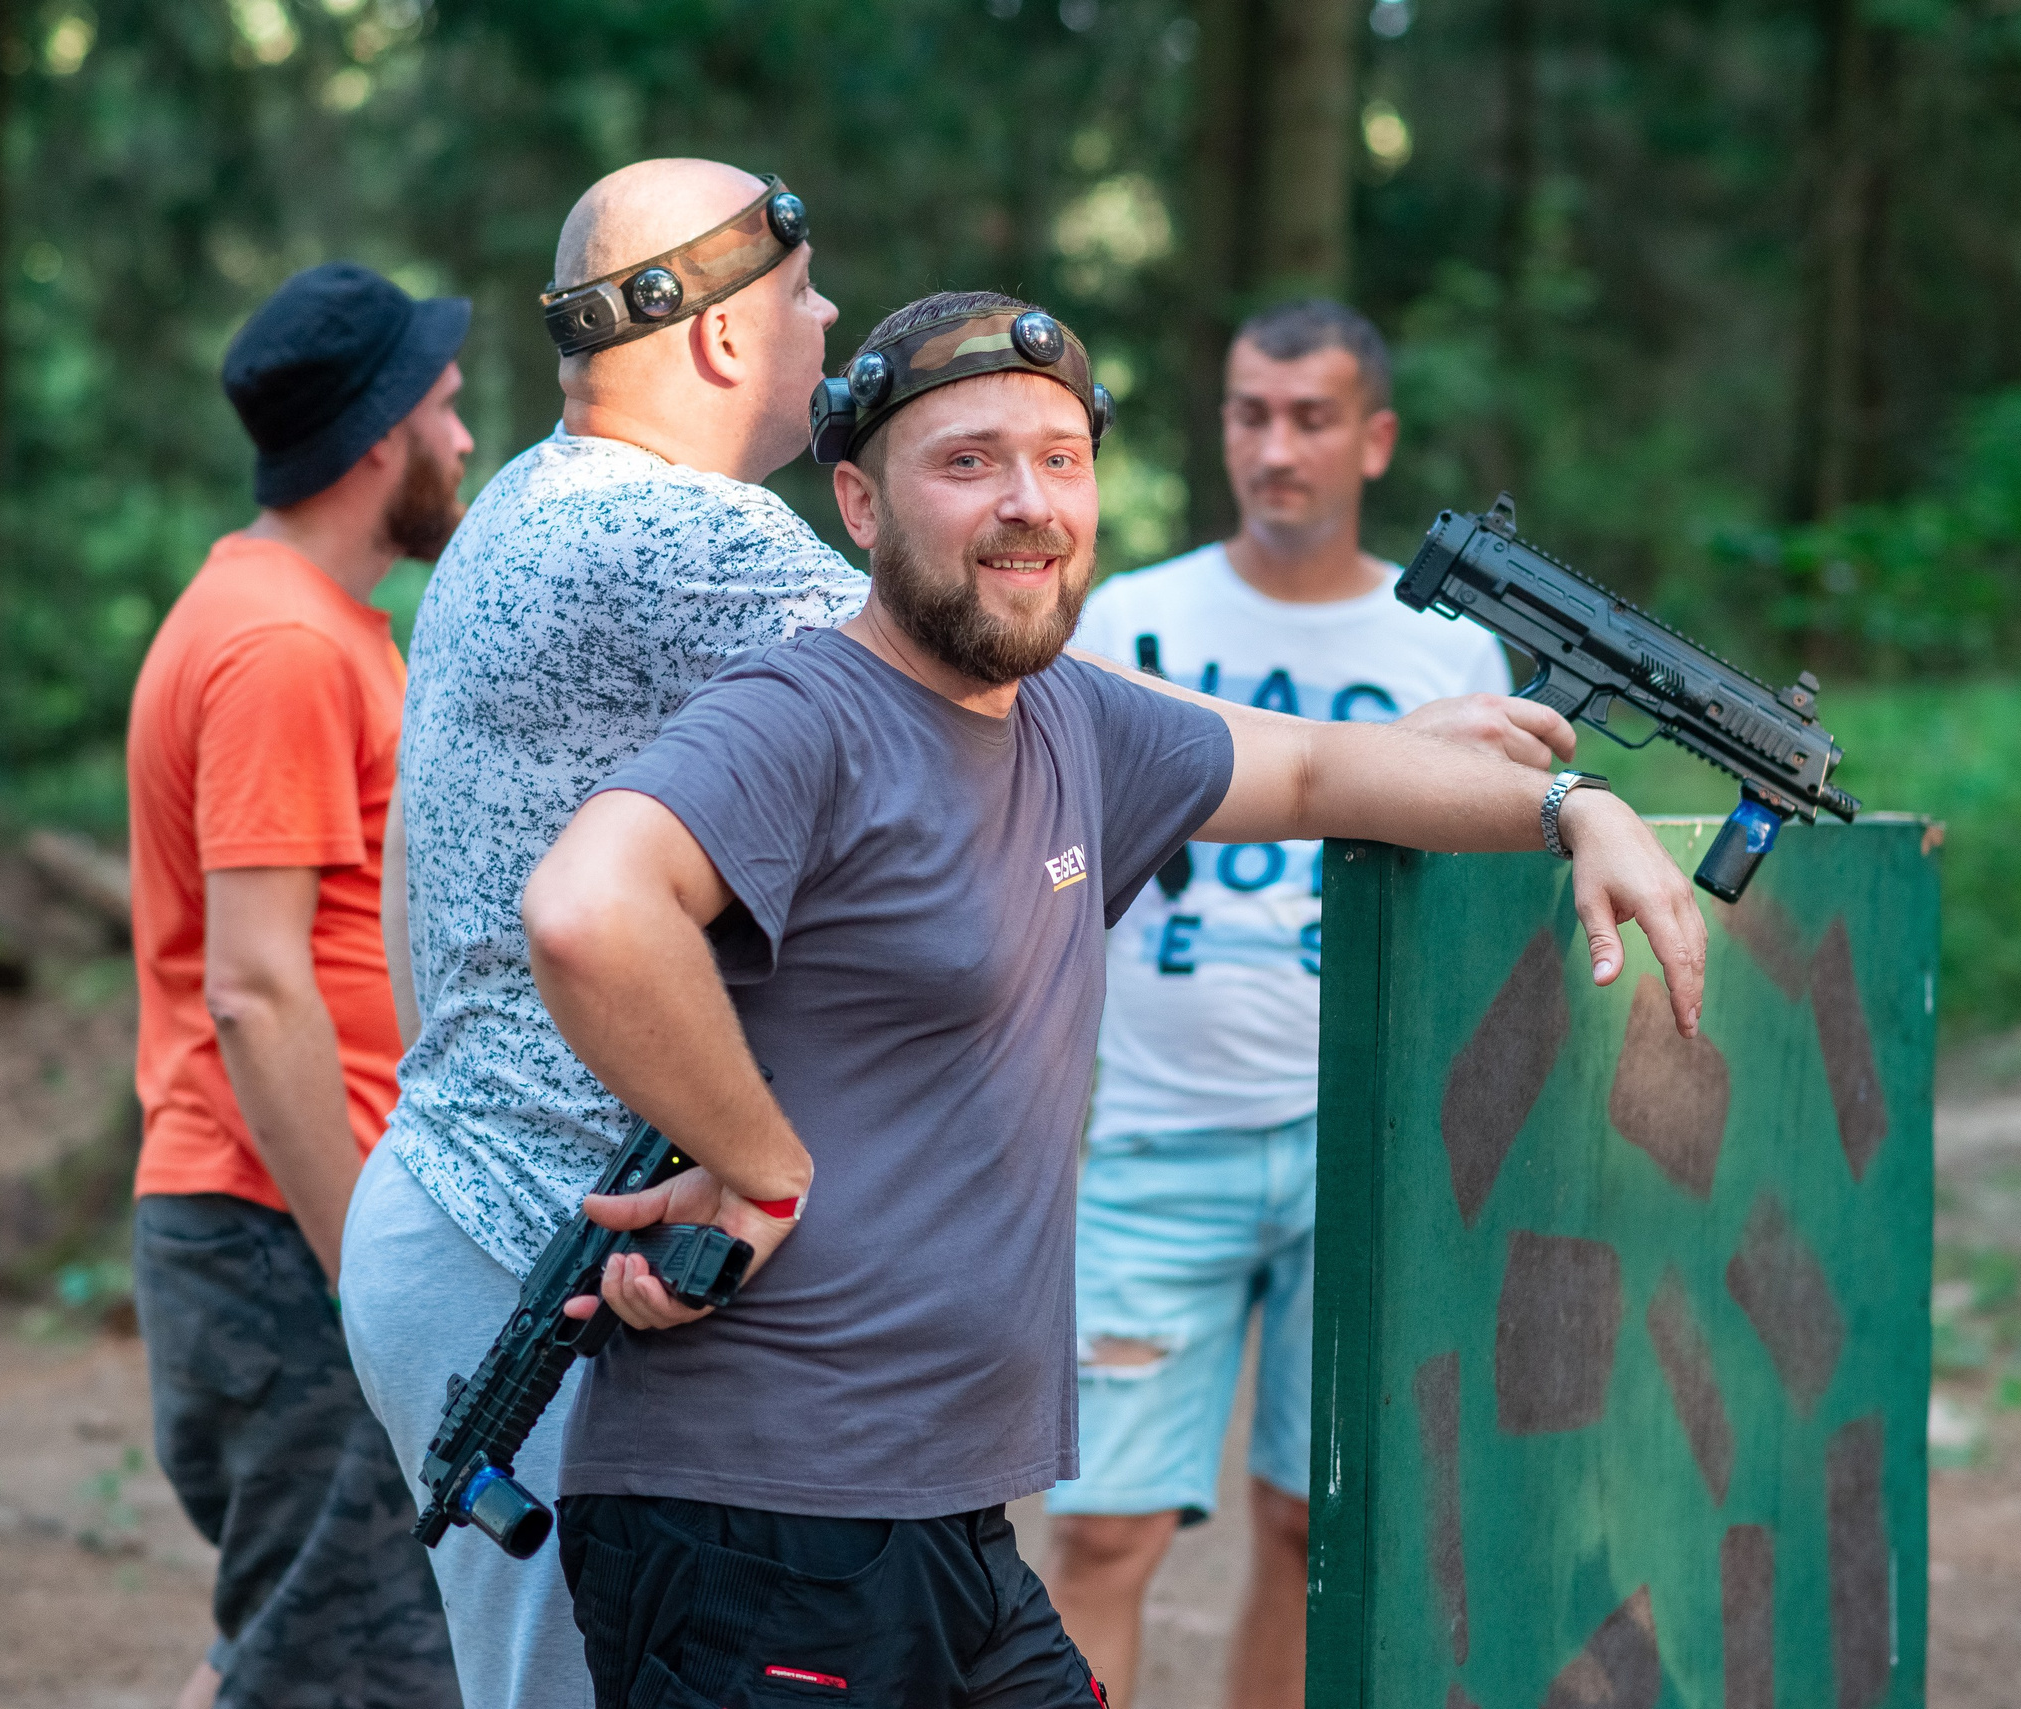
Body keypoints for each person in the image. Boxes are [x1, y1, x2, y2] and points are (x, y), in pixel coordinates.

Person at [517, 291, 1706, 1709]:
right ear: (857, 500)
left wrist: (1578, 805)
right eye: (967, 462)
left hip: (947, 1514)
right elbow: (588, 910)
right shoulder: (806, 712)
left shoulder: (1073, 717)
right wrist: (762, 1167)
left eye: (1060, 459)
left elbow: (1325, 771)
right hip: (758, 1513)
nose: (1028, 502)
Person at [334, 159, 865, 1709]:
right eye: (803, 293)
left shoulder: (529, 495)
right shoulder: (669, 534)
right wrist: (1374, 758)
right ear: (716, 339)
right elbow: (1026, 713)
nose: (831, 316)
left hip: (479, 1208)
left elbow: (405, 879)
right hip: (538, 1251)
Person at [1044, 300, 1543, 1708]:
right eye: (1250, 413)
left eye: (1312, 417)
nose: (1277, 446)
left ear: (1374, 438)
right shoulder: (1127, 620)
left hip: (1366, 1150)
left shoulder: (1452, 654)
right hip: (1155, 1136)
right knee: (1101, 1527)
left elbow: (1485, 929)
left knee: (1313, 1523)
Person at [125, 262, 474, 1709]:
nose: (465, 443)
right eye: (448, 411)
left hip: (276, 1225)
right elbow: (259, 991)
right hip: (288, 1234)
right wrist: (369, 1268)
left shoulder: (307, 624)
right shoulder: (277, 647)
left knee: (289, 1643)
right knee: (344, 1670)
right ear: (380, 434)